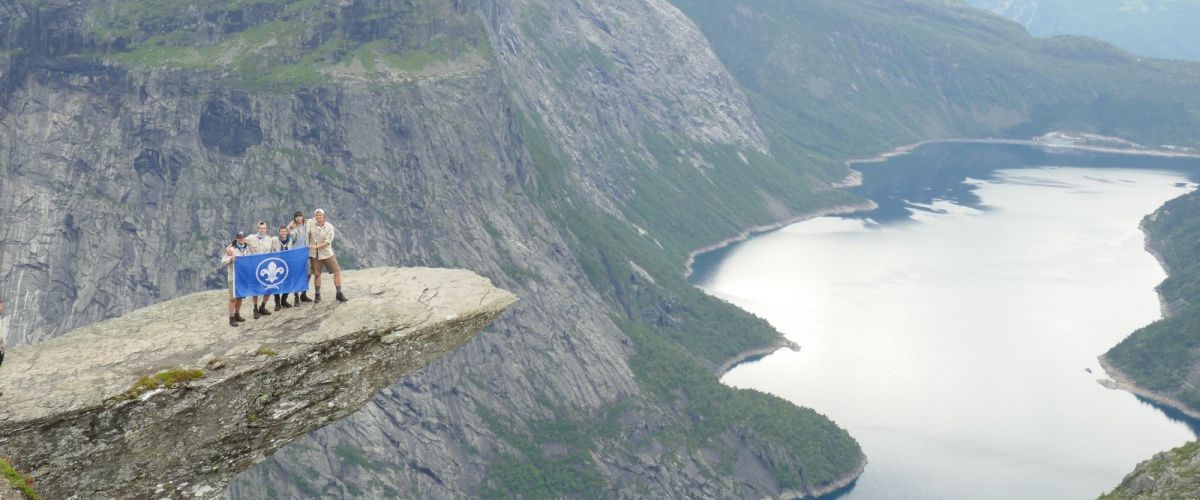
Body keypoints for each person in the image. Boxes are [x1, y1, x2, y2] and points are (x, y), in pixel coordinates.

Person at [306, 208, 348, 303]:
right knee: (317, 275)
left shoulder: (329, 227)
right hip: (315, 255)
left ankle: (339, 293)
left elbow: (327, 242)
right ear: (314, 216)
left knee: (336, 271)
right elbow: (299, 221)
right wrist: (292, 225)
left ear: (324, 216)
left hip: (327, 253)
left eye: (320, 215)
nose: (318, 216)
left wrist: (315, 246)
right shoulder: (311, 224)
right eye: (316, 215)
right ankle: (317, 295)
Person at [221, 232, 252, 327]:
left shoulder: (248, 247)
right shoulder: (231, 249)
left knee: (240, 296)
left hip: (243, 277)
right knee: (232, 298)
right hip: (233, 277)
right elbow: (223, 261)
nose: (241, 239)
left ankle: (237, 314)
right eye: (239, 238)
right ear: (236, 239)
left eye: (242, 237)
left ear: (245, 238)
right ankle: (231, 318)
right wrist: (230, 260)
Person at [247, 221, 277, 319]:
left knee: (269, 287)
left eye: (264, 228)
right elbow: (240, 241)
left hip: (266, 267)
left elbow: (274, 251)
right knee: (255, 288)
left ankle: (262, 307)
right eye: (260, 228)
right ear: (257, 229)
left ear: (266, 229)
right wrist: (229, 248)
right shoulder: (250, 238)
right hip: (254, 267)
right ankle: (255, 308)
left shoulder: (270, 239)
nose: (262, 230)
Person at [287, 211, 313, 303]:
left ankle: (303, 293)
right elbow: (291, 238)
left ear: (302, 217)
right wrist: (292, 229)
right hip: (296, 253)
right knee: (296, 274)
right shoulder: (291, 226)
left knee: (309, 272)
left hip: (306, 251)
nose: (298, 218)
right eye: (297, 216)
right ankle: (296, 297)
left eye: (300, 216)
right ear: (294, 218)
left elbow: (315, 220)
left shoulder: (307, 223)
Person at [272, 225, 294, 311]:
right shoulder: (274, 240)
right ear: (279, 232)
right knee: (276, 283)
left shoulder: (290, 240)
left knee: (288, 282)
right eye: (282, 231)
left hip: (288, 264)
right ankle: (277, 303)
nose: (283, 233)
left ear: (287, 232)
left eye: (285, 231)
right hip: (276, 264)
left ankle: (284, 300)